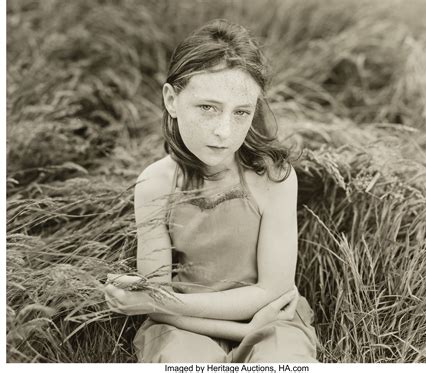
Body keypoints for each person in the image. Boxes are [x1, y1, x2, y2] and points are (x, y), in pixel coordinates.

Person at [104, 18, 318, 363]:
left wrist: (157, 301)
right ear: (172, 99)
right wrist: (242, 332)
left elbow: (273, 291)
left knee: (284, 363)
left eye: (241, 113)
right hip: (184, 324)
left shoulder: (273, 177)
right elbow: (157, 303)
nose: (224, 131)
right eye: (208, 108)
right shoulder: (155, 184)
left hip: (272, 319)